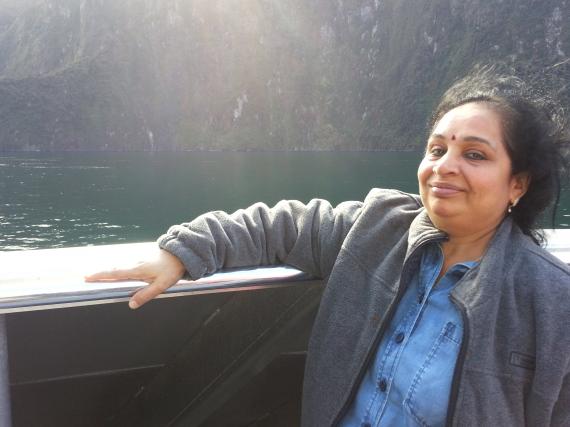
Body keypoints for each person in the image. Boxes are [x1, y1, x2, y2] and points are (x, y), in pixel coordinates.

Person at [86, 67, 570, 426]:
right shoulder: (378, 227)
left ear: (518, 184)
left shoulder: (552, 302)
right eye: (437, 149)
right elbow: (278, 225)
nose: (444, 166)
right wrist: (181, 254)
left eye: (475, 154)